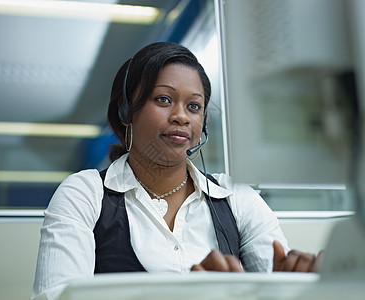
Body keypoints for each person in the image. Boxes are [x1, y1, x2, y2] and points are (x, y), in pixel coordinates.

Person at [31, 42, 322, 300]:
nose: (181, 116)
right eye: (163, 99)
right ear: (126, 110)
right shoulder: (84, 194)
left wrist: (293, 288)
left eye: (194, 106)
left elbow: (274, 285)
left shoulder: (238, 198)